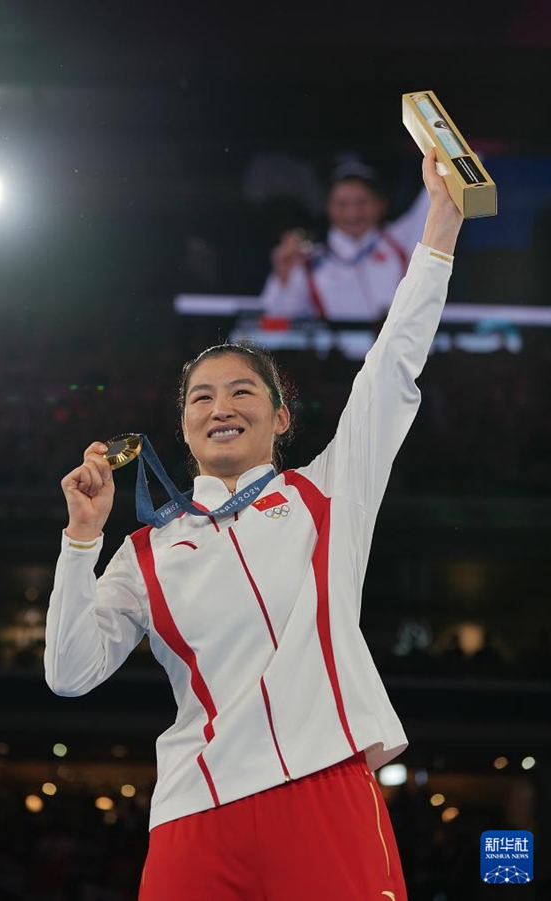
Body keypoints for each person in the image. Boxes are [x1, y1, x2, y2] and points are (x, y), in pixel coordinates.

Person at [44, 148, 463, 900]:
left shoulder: (328, 492)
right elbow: (70, 673)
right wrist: (82, 539)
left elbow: (393, 367)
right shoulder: (146, 549)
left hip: (322, 787)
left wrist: (441, 223)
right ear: (184, 423)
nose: (221, 405)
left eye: (243, 390)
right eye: (201, 397)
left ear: (280, 417)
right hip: (193, 810)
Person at [260, 157, 430, 321]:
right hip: (334, 350)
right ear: (328, 207)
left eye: (362, 203)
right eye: (342, 204)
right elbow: (275, 319)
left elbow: (432, 197)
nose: (352, 213)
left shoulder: (402, 240)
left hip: (399, 350)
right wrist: (281, 277)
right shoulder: (309, 261)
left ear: (381, 204)